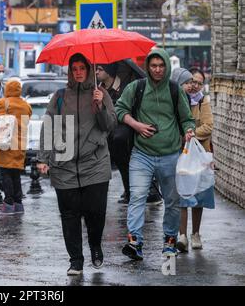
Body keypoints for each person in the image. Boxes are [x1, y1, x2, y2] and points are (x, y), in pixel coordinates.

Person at [37, 53, 117, 275]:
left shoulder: (101, 94)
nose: (79, 72)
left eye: (83, 68)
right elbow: (48, 127)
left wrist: (100, 104)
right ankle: (75, 260)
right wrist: (43, 158)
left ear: (89, 70)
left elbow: (109, 125)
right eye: (75, 68)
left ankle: (95, 247)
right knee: (69, 216)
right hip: (65, 167)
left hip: (95, 165)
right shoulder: (60, 96)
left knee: (96, 212)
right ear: (70, 71)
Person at [115, 48, 196, 261]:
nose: (158, 70)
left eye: (161, 66)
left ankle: (169, 241)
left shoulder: (175, 90)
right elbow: (120, 110)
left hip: (170, 155)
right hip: (141, 154)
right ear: (148, 67)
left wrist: (188, 130)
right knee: (138, 196)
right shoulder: (137, 87)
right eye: (153, 66)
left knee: (171, 200)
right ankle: (135, 242)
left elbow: (187, 118)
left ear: (167, 66)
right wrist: (137, 125)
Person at [96, 63, 162, 206]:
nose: (97, 72)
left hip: (127, 134)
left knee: (130, 163)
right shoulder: (98, 89)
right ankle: (129, 191)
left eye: (100, 69)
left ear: (109, 72)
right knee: (121, 164)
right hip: (110, 134)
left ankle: (146, 190)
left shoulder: (127, 86)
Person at [172, 67, 214, 253]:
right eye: (191, 82)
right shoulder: (175, 101)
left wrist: (190, 135)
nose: (194, 86)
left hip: (199, 154)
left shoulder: (203, 101)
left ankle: (195, 234)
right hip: (180, 154)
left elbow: (208, 127)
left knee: (199, 194)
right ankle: (182, 235)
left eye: (198, 82)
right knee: (182, 194)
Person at [0, 80, 32, 215]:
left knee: (5, 174)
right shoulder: (25, 105)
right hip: (19, 145)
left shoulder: (3, 103)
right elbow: (28, 116)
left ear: (7, 89)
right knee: (16, 175)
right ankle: (18, 204)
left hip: (6, 144)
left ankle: (8, 204)